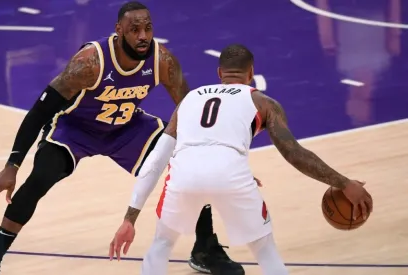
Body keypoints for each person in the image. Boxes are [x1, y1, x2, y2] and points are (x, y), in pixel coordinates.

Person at [0, 2, 243, 275]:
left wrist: (210, 154)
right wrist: (12, 165)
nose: (142, 36)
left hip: (126, 128)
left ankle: (205, 249)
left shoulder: (162, 61)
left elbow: (189, 112)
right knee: (41, 178)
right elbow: (40, 111)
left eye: (148, 29)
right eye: (134, 29)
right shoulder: (89, 62)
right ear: (119, 31)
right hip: (76, 128)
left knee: (192, 165)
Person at [108, 44, 373, 275]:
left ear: (219, 74)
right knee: (265, 250)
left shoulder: (188, 100)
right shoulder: (262, 101)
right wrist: (343, 182)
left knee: (162, 243)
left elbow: (156, 160)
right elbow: (294, 153)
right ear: (251, 73)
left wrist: (129, 219)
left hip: (183, 177)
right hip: (232, 177)